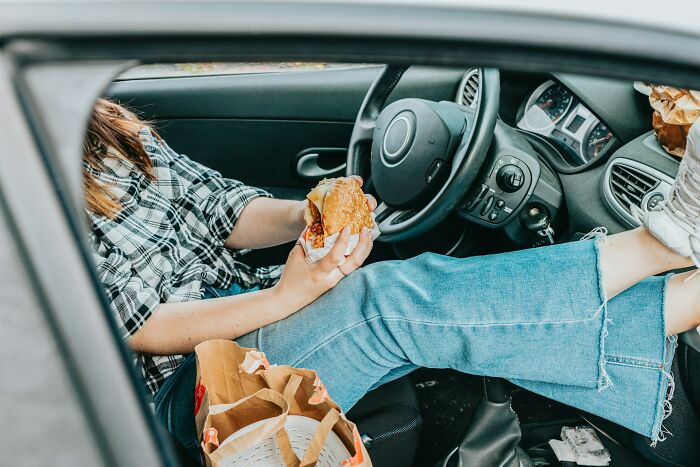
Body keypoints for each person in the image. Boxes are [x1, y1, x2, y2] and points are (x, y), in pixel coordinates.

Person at [85, 98, 700, 453]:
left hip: (237, 303)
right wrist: (285, 296)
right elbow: (139, 327)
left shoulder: (101, 128)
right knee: (384, 305)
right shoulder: (29, 176)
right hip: (182, 397)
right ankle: (661, 247)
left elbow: (219, 208)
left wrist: (310, 214)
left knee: (419, 295)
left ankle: (677, 299)